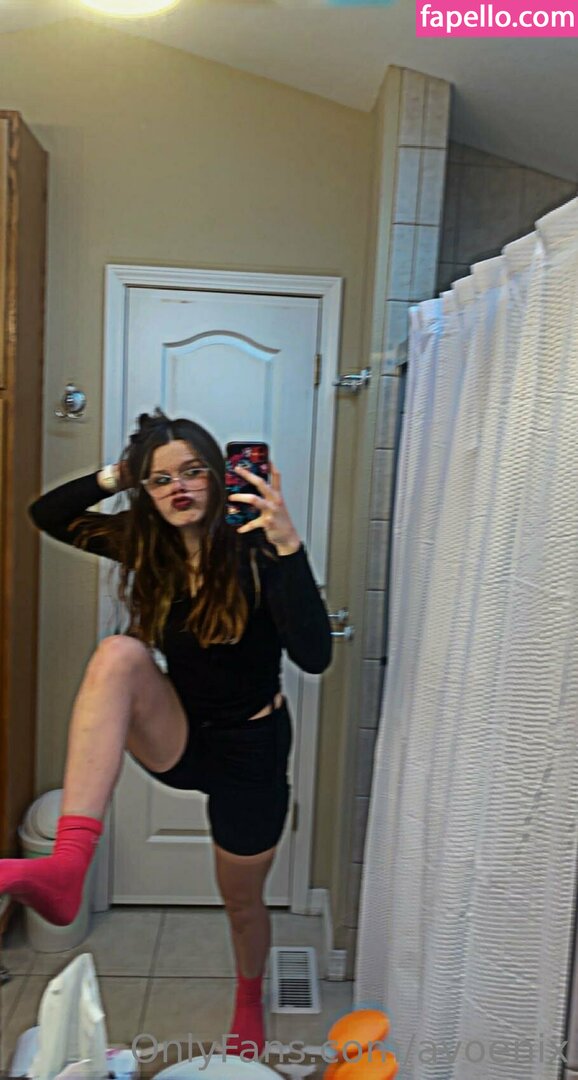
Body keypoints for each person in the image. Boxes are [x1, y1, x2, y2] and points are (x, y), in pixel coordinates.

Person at [0, 409, 333, 1057]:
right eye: (160, 479)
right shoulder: (144, 545)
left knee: (242, 903)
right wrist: (120, 474)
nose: (178, 487)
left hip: (252, 753)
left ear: (218, 474)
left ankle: (248, 998)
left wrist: (290, 548)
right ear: (144, 489)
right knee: (119, 655)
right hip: (180, 734)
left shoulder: (258, 548)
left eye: (192, 471)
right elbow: (47, 514)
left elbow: (316, 657)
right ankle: (67, 867)